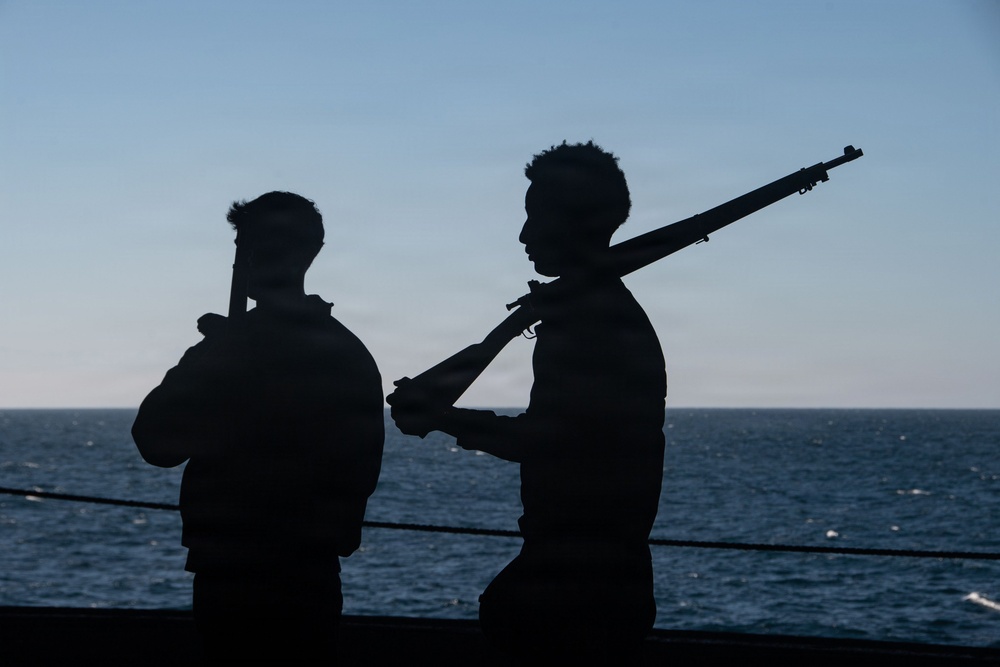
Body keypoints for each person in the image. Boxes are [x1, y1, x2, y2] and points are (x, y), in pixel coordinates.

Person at [389, 142, 666, 662]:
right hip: (593, 573)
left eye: (536, 217)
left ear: (575, 224)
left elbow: (555, 443)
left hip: (579, 581)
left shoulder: (592, 322)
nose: (524, 235)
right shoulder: (595, 315)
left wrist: (446, 418)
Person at [132, 191, 384, 665]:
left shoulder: (232, 347)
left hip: (237, 570)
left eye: (253, 245)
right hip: (307, 572)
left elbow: (156, 442)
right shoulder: (347, 353)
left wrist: (207, 362)